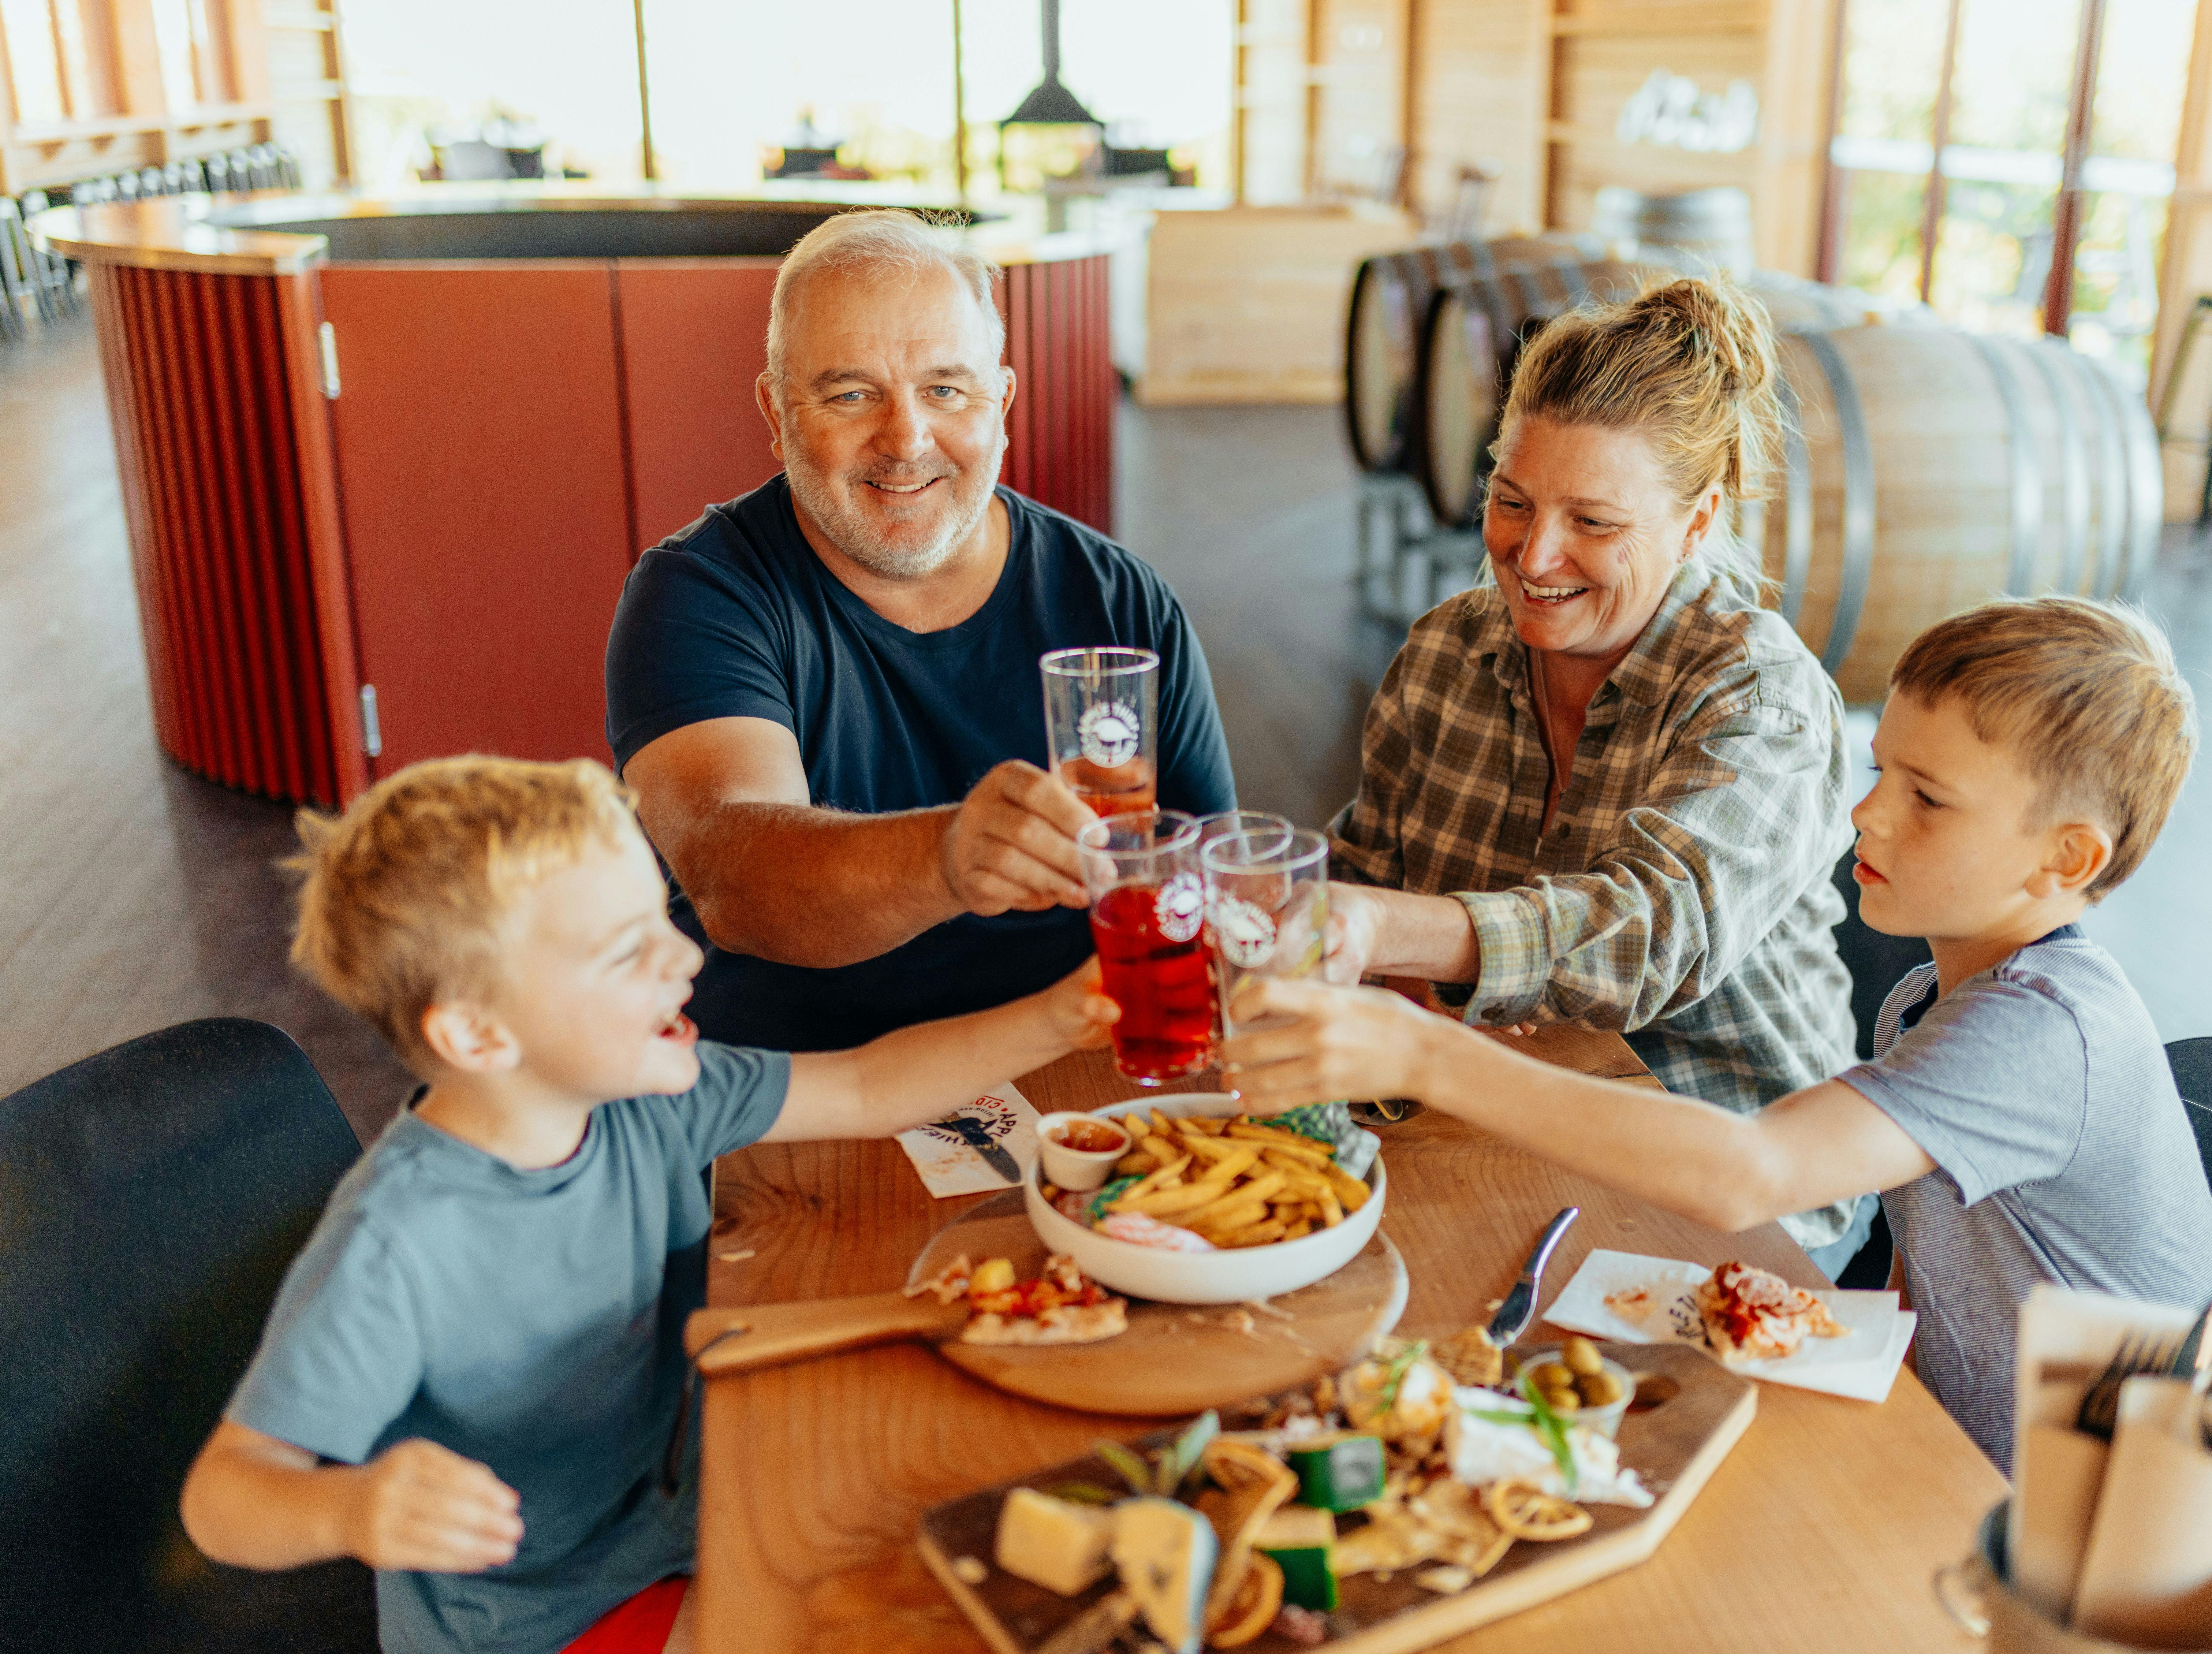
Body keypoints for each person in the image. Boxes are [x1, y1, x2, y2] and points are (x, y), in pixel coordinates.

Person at [1227, 598, 2212, 1471]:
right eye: (1881, 771)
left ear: (2067, 858)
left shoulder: (2043, 1035)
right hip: (1947, 1452)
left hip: (2074, 1541)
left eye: (1926, 798)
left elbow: (1746, 1175)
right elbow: (1940, 1270)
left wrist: (1420, 1054)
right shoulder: (1939, 991)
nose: (1864, 816)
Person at [178, 756, 1118, 1654]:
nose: (685, 955)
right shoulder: (396, 1244)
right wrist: (356, 1508)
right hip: (543, 1623)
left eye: (660, 918)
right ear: (477, 1033)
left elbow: (871, 1088)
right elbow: (224, 1497)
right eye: (629, 950)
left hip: (681, 1517)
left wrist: (1058, 1017)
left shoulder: (642, 1093)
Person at [1321, 273, 1860, 1258]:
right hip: (1484, 1122)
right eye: (1510, 501)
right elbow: (1361, 875)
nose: (1534, 556)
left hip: (1729, 1176)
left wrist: (1390, 932)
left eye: (1594, 523)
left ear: (1697, 522)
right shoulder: (1446, 650)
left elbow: (1652, 938)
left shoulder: (1758, 697)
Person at [606, 208, 1235, 1052]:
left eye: (945, 389)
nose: (905, 439)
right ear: (775, 408)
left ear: (1002, 403)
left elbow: (1203, 873)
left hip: (1072, 1066)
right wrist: (950, 857)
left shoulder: (1120, 597)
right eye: (850, 393)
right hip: (805, 1091)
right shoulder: (700, 595)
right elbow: (735, 881)